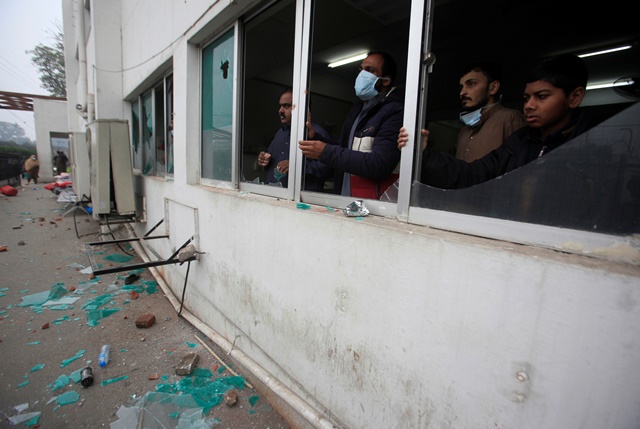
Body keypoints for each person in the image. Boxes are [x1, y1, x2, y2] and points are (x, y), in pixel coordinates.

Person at [398, 54, 590, 190]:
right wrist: (425, 153)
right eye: (526, 98)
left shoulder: (590, 148)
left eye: (541, 97)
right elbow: (473, 174)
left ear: (574, 98)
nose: (529, 106)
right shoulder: (520, 142)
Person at [299, 50, 403, 199]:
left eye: (370, 70)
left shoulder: (394, 111)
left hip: (372, 205)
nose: (362, 74)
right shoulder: (358, 109)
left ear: (385, 80)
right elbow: (346, 151)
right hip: (347, 197)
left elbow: (380, 164)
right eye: (361, 69)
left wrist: (326, 152)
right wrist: (316, 137)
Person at [257, 87, 333, 191]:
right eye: (280, 106)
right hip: (276, 197)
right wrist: (264, 160)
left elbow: (329, 169)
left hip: (301, 202)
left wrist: (300, 166)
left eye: (286, 106)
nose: (280, 111)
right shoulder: (280, 133)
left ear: (302, 108)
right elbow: (274, 163)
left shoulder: (316, 134)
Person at [454, 61, 526, 161]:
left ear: (493, 87)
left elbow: (519, 167)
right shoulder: (464, 131)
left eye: (471, 84)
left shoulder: (509, 118)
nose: (462, 93)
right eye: (461, 87)